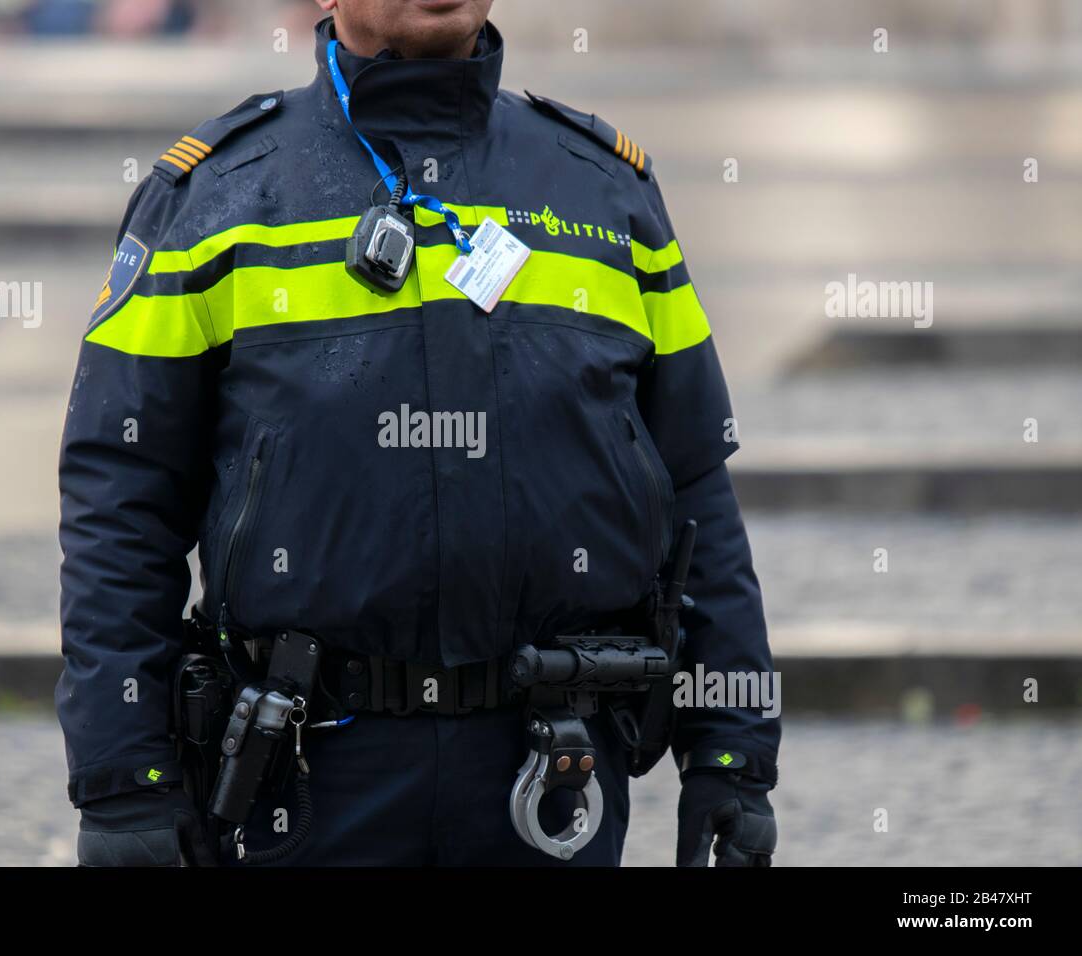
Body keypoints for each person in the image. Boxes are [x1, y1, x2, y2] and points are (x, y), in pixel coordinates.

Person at [59, 0, 779, 867]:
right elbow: (121, 499)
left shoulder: (605, 187)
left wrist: (734, 753)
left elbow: (696, 484)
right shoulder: (215, 194)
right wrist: (122, 778)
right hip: (300, 782)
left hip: (551, 782)